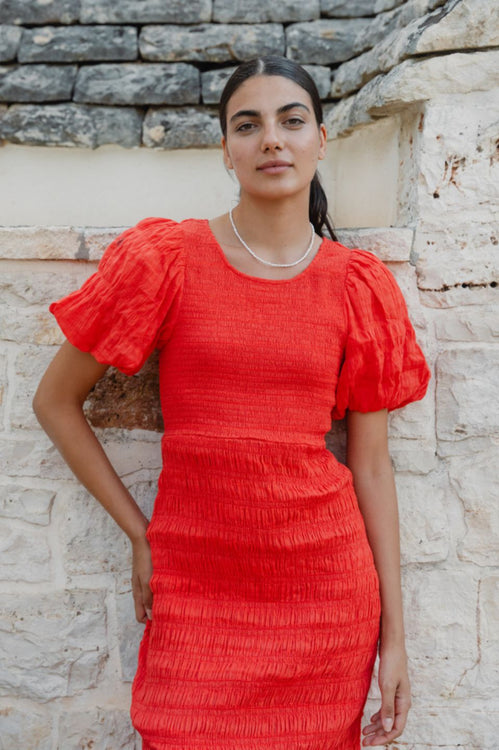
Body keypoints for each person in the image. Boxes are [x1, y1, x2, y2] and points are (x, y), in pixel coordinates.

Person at [33, 55, 431, 749]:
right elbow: (55, 401)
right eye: (247, 125)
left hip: (324, 595)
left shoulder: (357, 286)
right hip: (195, 583)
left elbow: (371, 467)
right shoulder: (168, 258)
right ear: (226, 149)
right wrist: (140, 533)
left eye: (291, 120)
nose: (271, 139)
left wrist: (394, 638)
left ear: (321, 140)